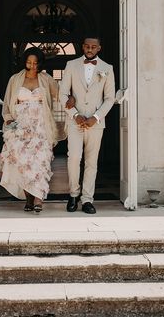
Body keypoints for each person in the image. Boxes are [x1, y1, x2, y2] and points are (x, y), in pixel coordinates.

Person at [0, 47, 60, 213]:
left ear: (40, 64)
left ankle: (39, 197)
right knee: (23, 163)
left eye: (35, 63)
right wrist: (9, 119)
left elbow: (60, 95)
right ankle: (29, 199)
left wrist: (73, 99)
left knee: (41, 161)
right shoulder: (15, 79)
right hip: (21, 127)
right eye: (29, 62)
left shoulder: (46, 79)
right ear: (24, 61)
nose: (32, 65)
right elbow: (7, 103)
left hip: (41, 126)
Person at [59, 36, 115, 214]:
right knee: (74, 158)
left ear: (99, 48)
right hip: (75, 121)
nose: (90, 49)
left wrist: (96, 117)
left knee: (92, 162)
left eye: (93, 47)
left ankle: (87, 199)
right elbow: (62, 94)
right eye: (87, 46)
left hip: (95, 124)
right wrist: (74, 114)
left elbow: (110, 98)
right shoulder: (71, 65)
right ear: (82, 47)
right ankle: (73, 194)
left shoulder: (107, 68)